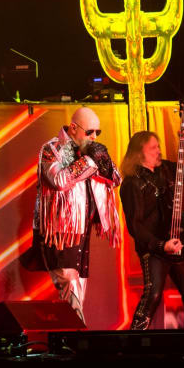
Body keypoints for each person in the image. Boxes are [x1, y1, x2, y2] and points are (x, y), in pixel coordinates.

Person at [32, 107, 122, 323]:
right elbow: (59, 180)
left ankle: (71, 336)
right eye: (90, 132)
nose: (94, 137)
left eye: (98, 132)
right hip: (59, 233)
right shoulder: (52, 149)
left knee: (78, 292)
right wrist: (90, 161)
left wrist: (103, 161)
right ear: (73, 128)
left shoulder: (90, 149)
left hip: (82, 232)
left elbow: (116, 179)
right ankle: (78, 337)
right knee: (71, 288)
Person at [119, 127, 184, 330]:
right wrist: (160, 245)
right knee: (153, 295)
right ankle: (134, 340)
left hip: (177, 241)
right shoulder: (132, 183)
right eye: (153, 148)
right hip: (155, 248)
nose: (159, 151)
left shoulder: (165, 169)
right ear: (139, 153)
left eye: (158, 147)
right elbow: (135, 225)